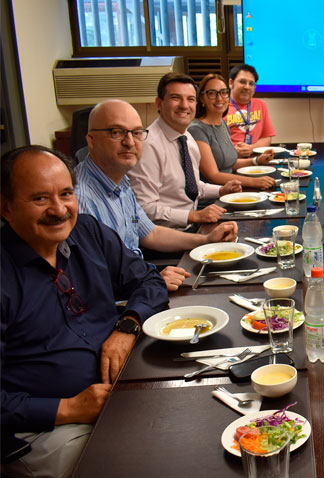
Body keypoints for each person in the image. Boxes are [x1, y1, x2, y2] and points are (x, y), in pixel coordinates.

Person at [0, 146, 168, 478]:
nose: (59, 210)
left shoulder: (88, 232)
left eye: (66, 194)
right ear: (6, 208)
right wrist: (69, 408)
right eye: (39, 199)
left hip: (124, 391)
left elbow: (149, 281)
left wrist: (128, 326)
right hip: (48, 426)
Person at [76, 99, 239, 291]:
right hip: (124, 298)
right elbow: (92, 284)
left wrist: (205, 240)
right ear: (91, 140)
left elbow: (150, 234)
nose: (129, 142)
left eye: (136, 133)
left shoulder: (120, 180)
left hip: (140, 280)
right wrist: (149, 282)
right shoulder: (80, 201)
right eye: (116, 133)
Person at [127, 73, 241, 229]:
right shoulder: (148, 145)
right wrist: (193, 216)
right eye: (175, 98)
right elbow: (143, 209)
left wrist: (221, 190)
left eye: (190, 99)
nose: (184, 105)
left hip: (191, 226)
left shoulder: (185, 136)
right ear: (159, 103)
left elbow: (192, 186)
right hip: (164, 239)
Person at [188, 73, 276, 190]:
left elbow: (228, 163)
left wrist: (256, 160)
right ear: (202, 98)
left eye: (224, 93)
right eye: (212, 93)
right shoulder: (196, 130)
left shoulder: (222, 124)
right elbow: (213, 175)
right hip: (214, 197)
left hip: (232, 189)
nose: (219, 98)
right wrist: (254, 182)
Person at [225, 64, 275, 158]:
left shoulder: (261, 105)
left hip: (256, 161)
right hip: (230, 161)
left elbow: (267, 137)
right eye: (242, 82)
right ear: (231, 83)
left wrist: (252, 148)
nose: (247, 87)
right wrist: (232, 150)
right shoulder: (221, 106)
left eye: (251, 83)